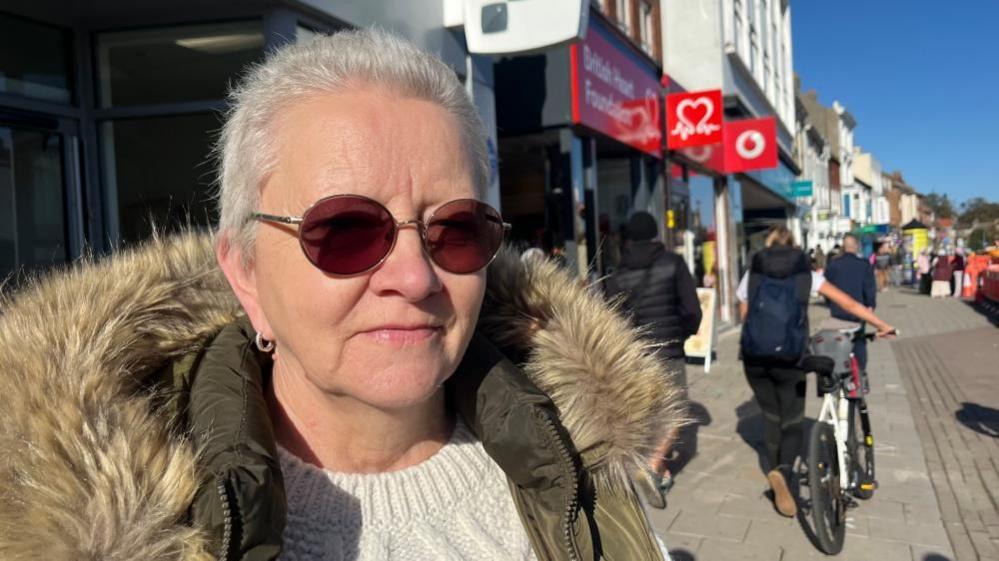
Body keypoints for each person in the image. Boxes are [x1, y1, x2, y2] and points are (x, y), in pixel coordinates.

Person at [0, 30, 682, 561]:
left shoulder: (585, 466)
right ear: (245, 273)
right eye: (347, 230)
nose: (414, 278)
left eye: (455, 228)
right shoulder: (81, 528)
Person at [736, 225, 895, 519]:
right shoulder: (806, 273)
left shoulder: (753, 272)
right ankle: (784, 473)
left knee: (771, 417)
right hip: (792, 356)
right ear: (794, 245)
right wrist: (881, 324)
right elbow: (846, 302)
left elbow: (744, 315)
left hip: (754, 357)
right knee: (793, 419)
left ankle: (774, 471)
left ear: (768, 245)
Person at [604, 211, 702, 509]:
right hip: (669, 349)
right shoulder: (673, 263)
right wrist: (683, 333)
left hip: (635, 354)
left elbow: (611, 318)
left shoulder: (616, 272)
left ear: (630, 237)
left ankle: (653, 466)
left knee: (645, 411)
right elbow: (692, 309)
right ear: (655, 232)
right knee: (674, 412)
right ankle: (654, 463)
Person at [824, 234, 877, 373]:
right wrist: (870, 305)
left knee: (838, 341)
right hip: (858, 312)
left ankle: (839, 371)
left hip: (838, 312)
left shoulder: (833, 265)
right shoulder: (864, 265)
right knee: (859, 341)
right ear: (856, 247)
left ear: (843, 247)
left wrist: (830, 303)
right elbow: (869, 287)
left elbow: (826, 288)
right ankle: (860, 372)